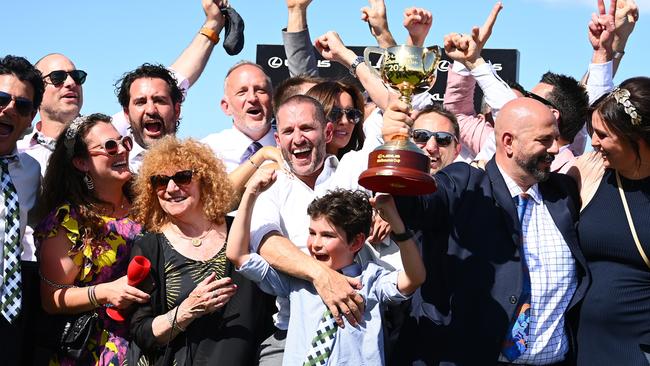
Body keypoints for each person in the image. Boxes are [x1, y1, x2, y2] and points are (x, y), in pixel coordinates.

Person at [383, 96, 589, 365]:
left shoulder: (564, 193)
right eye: (544, 140)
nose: (555, 149)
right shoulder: (464, 184)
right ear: (508, 142)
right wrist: (396, 146)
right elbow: (413, 205)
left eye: (556, 139)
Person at [18, 0, 230, 176]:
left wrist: (212, 25)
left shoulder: (108, 133)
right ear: (37, 92)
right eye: (57, 77)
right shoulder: (19, 155)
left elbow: (172, 80)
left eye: (77, 76)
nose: (71, 82)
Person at [228, 182, 425, 365]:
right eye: (312, 233)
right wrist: (250, 195)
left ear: (356, 242)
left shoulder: (371, 280)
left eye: (328, 236)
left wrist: (396, 224)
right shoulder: (297, 280)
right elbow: (237, 255)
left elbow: (414, 278)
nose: (316, 244)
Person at [127, 137, 275, 365]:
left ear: (205, 180)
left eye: (183, 177)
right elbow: (142, 331)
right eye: (160, 181)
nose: (171, 188)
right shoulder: (149, 247)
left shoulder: (243, 230)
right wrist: (187, 310)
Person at [36, 113, 150, 365]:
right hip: (96, 350)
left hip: (152, 338)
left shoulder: (148, 206)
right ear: (81, 163)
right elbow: (51, 299)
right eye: (110, 146)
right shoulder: (67, 222)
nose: (122, 150)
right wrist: (105, 292)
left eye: (125, 142)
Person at [569, 78, 650, 365]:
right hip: (578, 347)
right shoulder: (586, 173)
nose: (593, 142)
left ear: (635, 138)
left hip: (636, 353)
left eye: (603, 135)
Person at [0, 55, 43, 365]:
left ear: (30, 118)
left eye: (22, 105)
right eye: (2, 98)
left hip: (10, 315)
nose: (9, 108)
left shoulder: (30, 171)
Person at [202, 61, 276, 173]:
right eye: (242, 92)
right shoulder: (206, 152)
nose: (252, 98)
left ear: (274, 101)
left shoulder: (292, 146)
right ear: (226, 106)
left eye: (260, 90)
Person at [305, 80, 365, 160]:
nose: (345, 121)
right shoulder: (290, 169)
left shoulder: (359, 165)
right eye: (334, 113)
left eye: (351, 114)